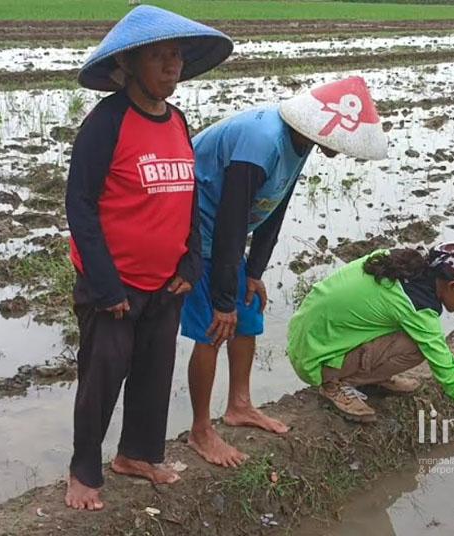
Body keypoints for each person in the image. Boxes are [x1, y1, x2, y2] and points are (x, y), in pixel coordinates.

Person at [64, 6, 232, 511]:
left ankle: (137, 455)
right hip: (114, 283)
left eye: (176, 55)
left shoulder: (177, 120)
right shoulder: (106, 123)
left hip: (166, 281)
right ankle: (83, 470)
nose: (171, 65)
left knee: (155, 371)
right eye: (158, 56)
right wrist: (104, 283)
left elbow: (186, 196)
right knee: (103, 373)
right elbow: (81, 205)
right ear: (131, 65)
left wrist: (191, 263)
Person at [181, 77, 389, 467]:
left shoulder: (300, 140)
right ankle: (200, 430)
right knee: (214, 325)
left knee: (247, 315)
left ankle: (239, 406)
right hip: (195, 233)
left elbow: (274, 207)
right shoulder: (260, 142)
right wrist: (223, 298)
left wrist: (254, 271)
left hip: (224, 236)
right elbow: (229, 221)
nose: (341, 151)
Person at [287, 242, 454, 433]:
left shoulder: (396, 265)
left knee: (404, 332)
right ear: (452, 285)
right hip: (317, 360)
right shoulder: (416, 307)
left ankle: (370, 376)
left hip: (309, 339)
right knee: (418, 346)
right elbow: (450, 378)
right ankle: (335, 384)